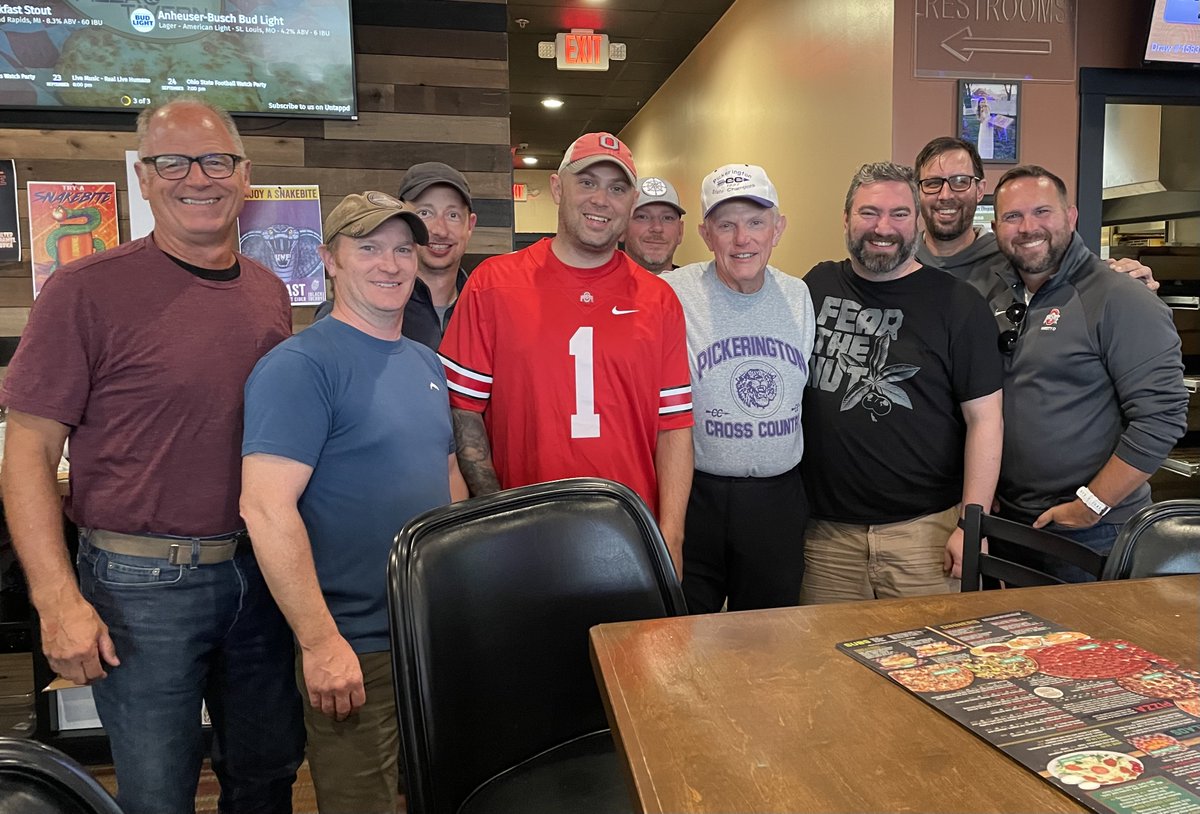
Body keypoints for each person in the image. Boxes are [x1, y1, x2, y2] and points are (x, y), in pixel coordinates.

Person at [0, 100, 303, 814]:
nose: (197, 177)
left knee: (268, 776)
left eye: (216, 160)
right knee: (158, 794)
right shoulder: (84, 290)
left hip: (258, 576)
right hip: (139, 587)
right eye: (173, 161)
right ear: (144, 176)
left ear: (244, 175)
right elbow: (27, 453)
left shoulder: (270, 293)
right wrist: (56, 601)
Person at [241, 191, 466, 813]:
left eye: (402, 249)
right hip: (354, 647)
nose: (390, 265)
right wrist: (319, 642)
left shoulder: (424, 362)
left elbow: (447, 479)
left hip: (427, 634)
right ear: (328, 260)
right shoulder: (300, 366)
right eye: (368, 249)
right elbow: (264, 509)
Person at [438, 132, 694, 575]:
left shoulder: (659, 299)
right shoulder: (494, 283)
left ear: (631, 201)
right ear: (558, 187)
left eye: (617, 188)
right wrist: (497, 513)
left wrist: (671, 536)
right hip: (523, 537)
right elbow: (464, 412)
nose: (602, 199)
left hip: (629, 538)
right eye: (587, 182)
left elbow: (674, 428)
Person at [799, 162, 1004, 603]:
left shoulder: (958, 304)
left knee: (937, 666)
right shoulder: (814, 287)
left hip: (926, 535)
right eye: (869, 212)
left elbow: (985, 419)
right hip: (826, 540)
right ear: (847, 218)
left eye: (898, 214)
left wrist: (973, 524)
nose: (882, 228)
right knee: (824, 668)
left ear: (918, 220)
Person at [989, 165, 1187, 579]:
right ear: (996, 227)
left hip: (1094, 530)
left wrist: (1091, 505)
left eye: (1042, 211)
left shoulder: (1119, 295)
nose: (1028, 227)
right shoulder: (996, 295)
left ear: (1071, 216)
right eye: (1013, 217)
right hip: (1013, 524)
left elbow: (1162, 416)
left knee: (1089, 645)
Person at [663, 164, 814, 613]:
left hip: (777, 499)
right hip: (697, 496)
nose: (742, 239)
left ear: (777, 229)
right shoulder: (670, 292)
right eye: (726, 225)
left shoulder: (799, 295)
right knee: (685, 634)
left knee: (771, 640)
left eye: (755, 223)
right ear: (706, 234)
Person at [913, 136, 1158, 311]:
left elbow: (1083, 281)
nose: (945, 195)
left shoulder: (1019, 259)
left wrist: (1131, 284)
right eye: (933, 183)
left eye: (959, 181)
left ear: (979, 190)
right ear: (918, 191)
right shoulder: (899, 263)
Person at [397, 161, 477, 348]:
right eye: (424, 213)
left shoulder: (486, 307)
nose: (440, 230)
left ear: (470, 226)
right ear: (402, 220)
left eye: (453, 215)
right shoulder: (373, 309)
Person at [625, 176, 686, 273]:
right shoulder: (599, 287)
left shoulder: (698, 287)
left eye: (667, 218)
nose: (657, 228)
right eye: (643, 217)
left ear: (680, 231)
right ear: (622, 229)